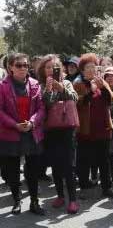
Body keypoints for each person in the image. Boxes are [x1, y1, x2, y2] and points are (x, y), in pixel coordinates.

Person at [0, 53, 46, 215]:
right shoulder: (2, 86)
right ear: (11, 67)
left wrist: (32, 123)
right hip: (11, 132)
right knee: (12, 170)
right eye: (19, 65)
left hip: (31, 132)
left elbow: (41, 108)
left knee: (33, 170)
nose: (23, 68)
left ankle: (34, 201)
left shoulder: (35, 84)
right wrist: (15, 125)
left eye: (25, 65)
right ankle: (17, 200)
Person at [73, 53, 113, 199]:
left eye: (94, 66)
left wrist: (103, 87)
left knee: (104, 159)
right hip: (85, 129)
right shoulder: (78, 84)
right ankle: (84, 187)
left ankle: (107, 187)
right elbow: (77, 103)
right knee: (84, 160)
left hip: (103, 127)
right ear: (82, 70)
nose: (92, 69)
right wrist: (90, 90)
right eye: (88, 67)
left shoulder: (101, 82)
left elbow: (111, 99)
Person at [39, 55, 80, 214]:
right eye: (48, 67)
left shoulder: (67, 82)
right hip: (50, 129)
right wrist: (49, 90)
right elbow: (45, 104)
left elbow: (75, 98)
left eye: (54, 67)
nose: (51, 70)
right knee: (55, 164)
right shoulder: (41, 85)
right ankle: (60, 196)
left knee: (69, 165)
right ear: (43, 70)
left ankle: (73, 200)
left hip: (67, 128)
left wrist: (61, 88)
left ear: (60, 68)